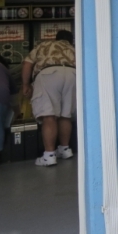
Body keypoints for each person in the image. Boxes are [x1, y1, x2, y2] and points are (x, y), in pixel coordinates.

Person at [22, 30, 77, 167]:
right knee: (66, 115)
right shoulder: (74, 48)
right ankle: (65, 149)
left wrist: (25, 84)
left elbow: (27, 64)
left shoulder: (45, 45)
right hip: (72, 74)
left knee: (49, 116)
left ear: (56, 38)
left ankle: (49, 155)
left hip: (48, 73)